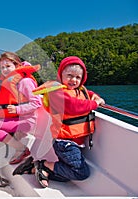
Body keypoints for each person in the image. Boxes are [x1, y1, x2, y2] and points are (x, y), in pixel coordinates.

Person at [13, 56, 105, 188]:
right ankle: (44, 165)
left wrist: (96, 96)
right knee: (81, 173)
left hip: (75, 142)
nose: (74, 80)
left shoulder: (79, 90)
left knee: (66, 177)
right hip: (65, 142)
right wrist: (95, 103)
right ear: (61, 75)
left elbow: (88, 93)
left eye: (78, 77)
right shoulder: (57, 92)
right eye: (69, 75)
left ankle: (36, 169)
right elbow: (73, 106)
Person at [0, 51, 42, 165]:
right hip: (15, 118)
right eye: (2, 67)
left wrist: (17, 109)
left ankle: (22, 149)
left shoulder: (25, 82)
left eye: (8, 66)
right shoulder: (8, 81)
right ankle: (15, 134)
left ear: (17, 65)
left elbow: (36, 103)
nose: (5, 70)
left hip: (26, 121)